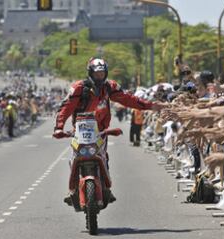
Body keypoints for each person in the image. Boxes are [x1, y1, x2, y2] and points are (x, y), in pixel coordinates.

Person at [53, 57, 167, 205]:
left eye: (102, 73)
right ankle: (73, 189)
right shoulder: (79, 88)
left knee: (103, 157)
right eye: (97, 74)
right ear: (90, 73)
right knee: (75, 157)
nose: (100, 77)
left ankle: (106, 187)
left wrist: (150, 106)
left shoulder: (110, 87)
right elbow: (65, 108)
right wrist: (58, 127)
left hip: (100, 132)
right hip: (80, 132)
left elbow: (128, 99)